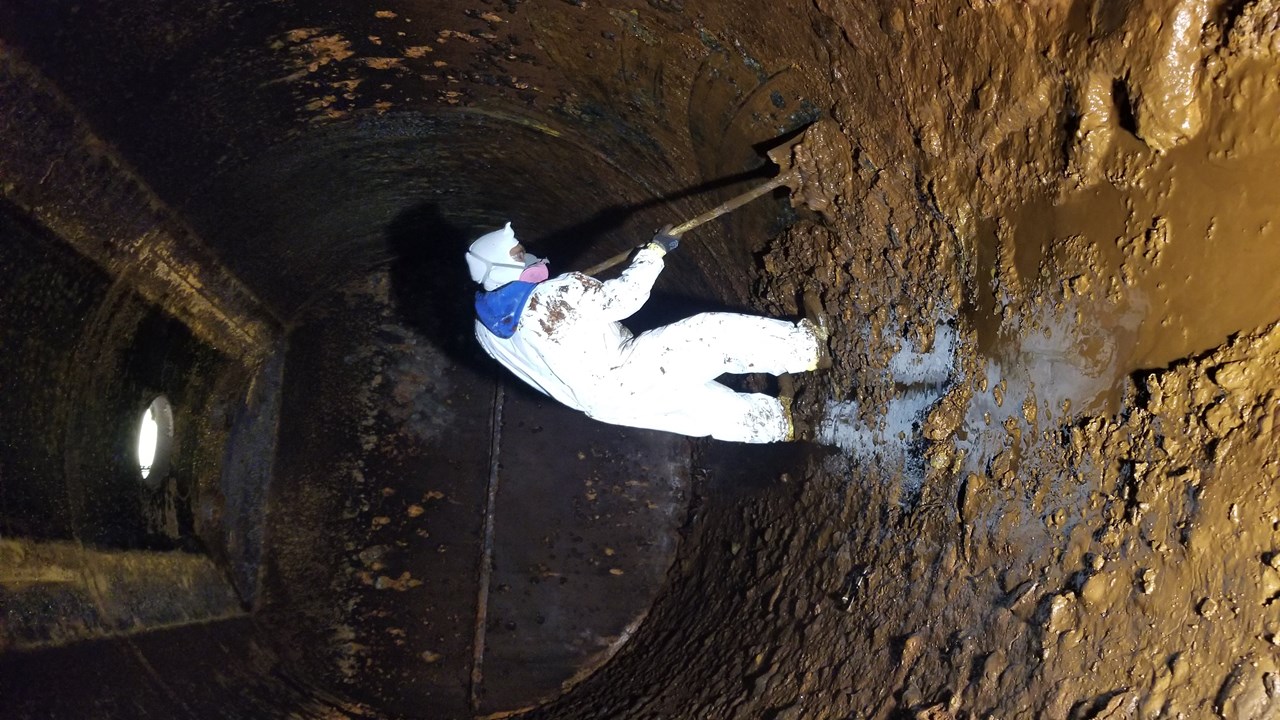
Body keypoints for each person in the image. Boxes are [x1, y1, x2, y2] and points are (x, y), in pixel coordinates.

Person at [465, 222, 828, 443]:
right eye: (519, 252)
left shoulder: (486, 333)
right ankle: (806, 347)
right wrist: (654, 252)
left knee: (703, 411)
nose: (529, 255)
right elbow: (625, 299)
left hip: (594, 405)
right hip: (623, 370)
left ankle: (782, 424)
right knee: (710, 333)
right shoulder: (555, 292)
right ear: (502, 267)